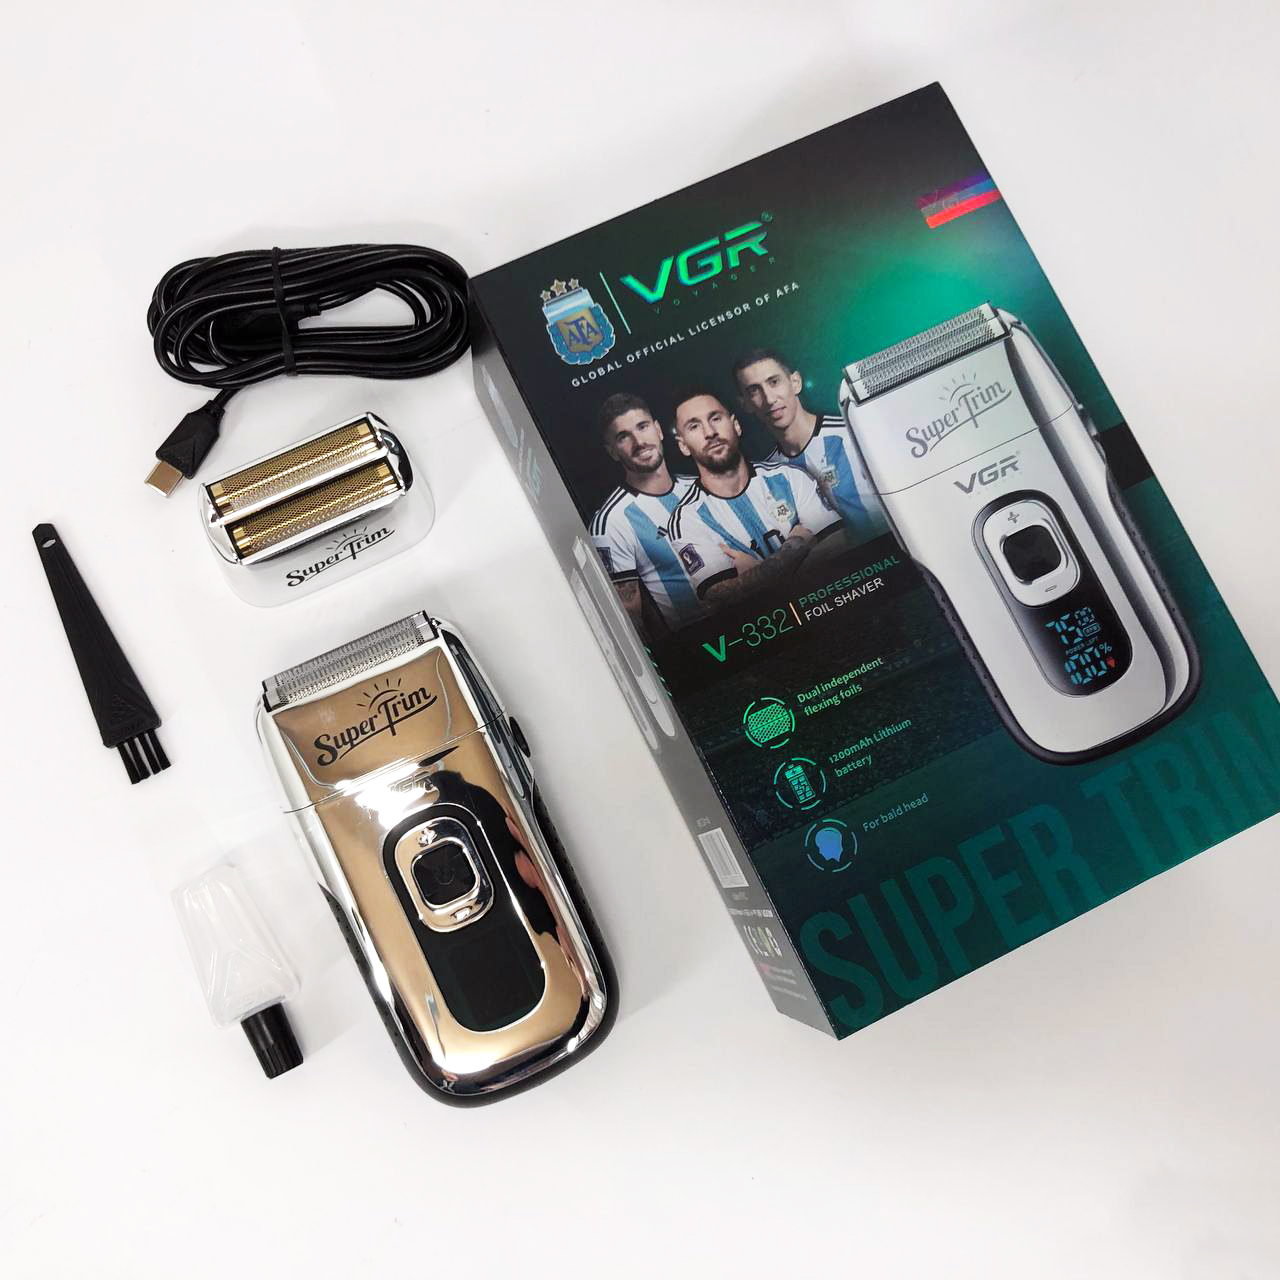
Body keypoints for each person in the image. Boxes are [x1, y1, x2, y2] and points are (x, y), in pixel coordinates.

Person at [665, 390, 842, 607]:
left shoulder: (789, 477)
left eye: (715, 418)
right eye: (694, 426)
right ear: (683, 445)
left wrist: (756, 576)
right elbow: (723, 596)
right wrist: (794, 548)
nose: (709, 432)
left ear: (736, 425)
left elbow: (838, 545)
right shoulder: (687, 519)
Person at [733, 346, 883, 541]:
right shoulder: (770, 473)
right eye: (754, 391)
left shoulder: (851, 436)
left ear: (795, 382)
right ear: (745, 404)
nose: (769, 399)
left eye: (774, 382)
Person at [590, 392, 703, 632]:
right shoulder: (610, 523)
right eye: (623, 437)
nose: (639, 441)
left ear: (658, 430)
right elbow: (630, 622)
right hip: (700, 640)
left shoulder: (701, 486)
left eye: (642, 427)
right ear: (612, 452)